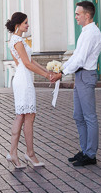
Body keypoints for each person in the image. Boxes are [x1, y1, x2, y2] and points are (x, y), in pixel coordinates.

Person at [5, 12, 60, 169]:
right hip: (24, 79)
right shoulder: (17, 41)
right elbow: (27, 64)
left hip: (23, 78)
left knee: (23, 116)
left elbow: (31, 61)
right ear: (18, 25)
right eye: (25, 23)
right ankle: (28, 153)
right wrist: (46, 76)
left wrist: (48, 72)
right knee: (26, 116)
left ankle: (15, 153)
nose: (28, 25)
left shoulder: (16, 40)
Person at [60, 1, 101, 167]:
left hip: (86, 75)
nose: (75, 16)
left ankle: (90, 154)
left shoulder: (92, 33)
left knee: (89, 116)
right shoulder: (85, 32)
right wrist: (61, 68)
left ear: (87, 15)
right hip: (79, 76)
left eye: (78, 14)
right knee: (78, 115)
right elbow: (75, 56)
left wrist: (62, 73)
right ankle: (85, 150)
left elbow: (80, 59)